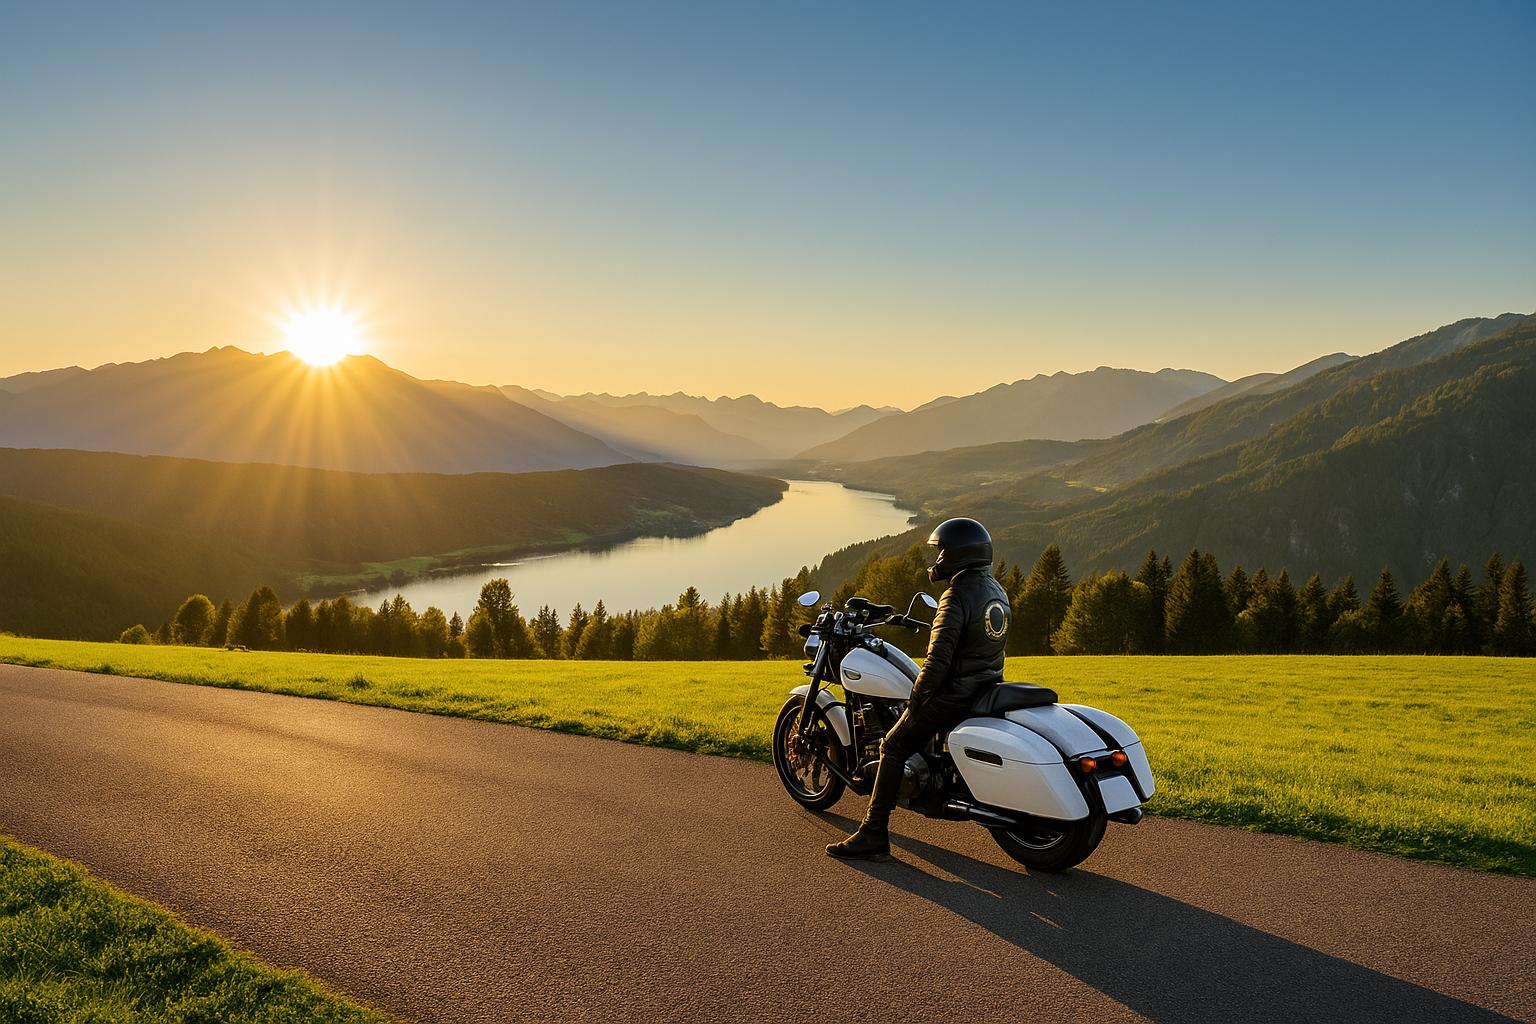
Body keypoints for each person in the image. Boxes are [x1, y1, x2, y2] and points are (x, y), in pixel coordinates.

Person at [827, 517, 1010, 861]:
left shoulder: (955, 597)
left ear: (957, 555)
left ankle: (873, 833)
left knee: (893, 745)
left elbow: (937, 662)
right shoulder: (995, 589)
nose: (937, 559)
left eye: (941, 551)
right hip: (984, 688)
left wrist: (916, 699)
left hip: (954, 696)